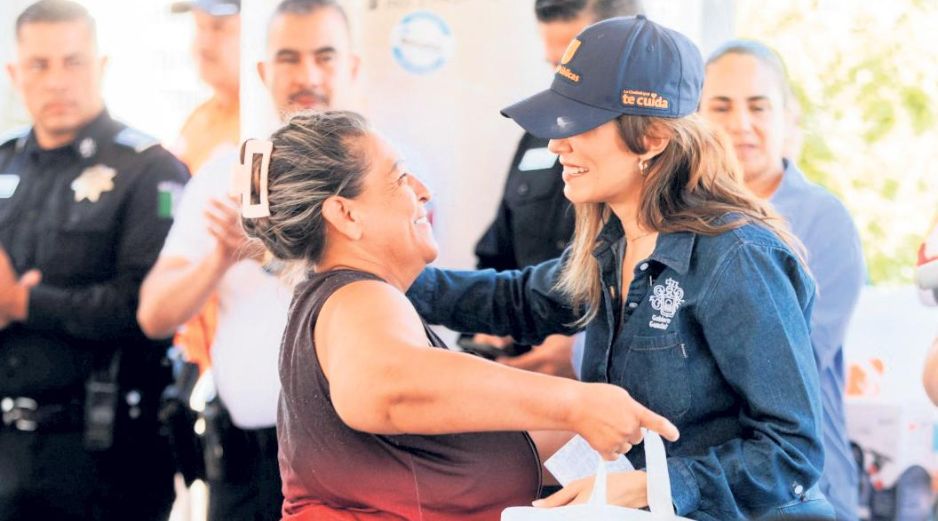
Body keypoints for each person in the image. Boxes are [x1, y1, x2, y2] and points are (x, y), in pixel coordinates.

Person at [407, 16, 835, 520]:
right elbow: (517, 300)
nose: (556, 144)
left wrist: (654, 486)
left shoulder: (737, 256)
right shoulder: (610, 247)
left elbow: (793, 455)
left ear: (651, 137)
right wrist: (386, 272)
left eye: (579, 124)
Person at [239, 109, 679, 521]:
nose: (423, 190)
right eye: (398, 179)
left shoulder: (346, 302)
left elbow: (465, 445)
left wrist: (645, 471)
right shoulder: (359, 298)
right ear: (346, 214)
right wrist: (575, 402)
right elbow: (387, 388)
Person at [137, 1, 359, 519]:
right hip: (247, 465)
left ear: (352, 66)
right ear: (263, 72)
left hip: (360, 457)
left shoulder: (394, 172)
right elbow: (154, 314)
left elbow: (420, 294)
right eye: (288, 58)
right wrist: (220, 256)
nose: (308, 75)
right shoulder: (221, 175)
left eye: (325, 56)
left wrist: (294, 248)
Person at [0, 1, 189, 520]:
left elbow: (144, 309)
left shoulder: (151, 171)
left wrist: (22, 303)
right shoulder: (3, 162)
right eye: (39, 65)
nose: (57, 80)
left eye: (74, 62)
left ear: (102, 67)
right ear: (15, 74)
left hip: (105, 459)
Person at [699, 40, 866, 521]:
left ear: (788, 120)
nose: (740, 124)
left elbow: (790, 369)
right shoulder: (675, 220)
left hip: (802, 489)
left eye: (758, 106)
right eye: (721, 106)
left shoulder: (822, 220)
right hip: (706, 487)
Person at [472, 0, 644, 378]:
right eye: (556, 69)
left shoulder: (659, 166)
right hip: (524, 385)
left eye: (577, 72)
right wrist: (489, 329)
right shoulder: (537, 138)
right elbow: (497, 254)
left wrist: (582, 345)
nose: (559, 143)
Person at [168, 0, 243, 376]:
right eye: (199, 28)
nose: (203, 43)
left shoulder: (266, 125)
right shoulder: (196, 124)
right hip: (200, 354)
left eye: (219, 28)